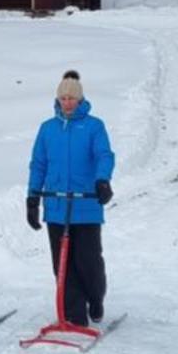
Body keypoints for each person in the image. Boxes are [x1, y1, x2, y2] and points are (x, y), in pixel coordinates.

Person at [25, 69, 114, 325]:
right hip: (56, 205)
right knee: (62, 266)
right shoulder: (47, 129)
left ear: (80, 99)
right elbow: (38, 164)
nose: (67, 103)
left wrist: (102, 180)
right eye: (63, 98)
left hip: (86, 205)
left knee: (88, 262)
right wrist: (32, 198)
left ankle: (95, 298)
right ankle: (75, 316)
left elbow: (104, 156)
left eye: (72, 98)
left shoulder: (94, 126)